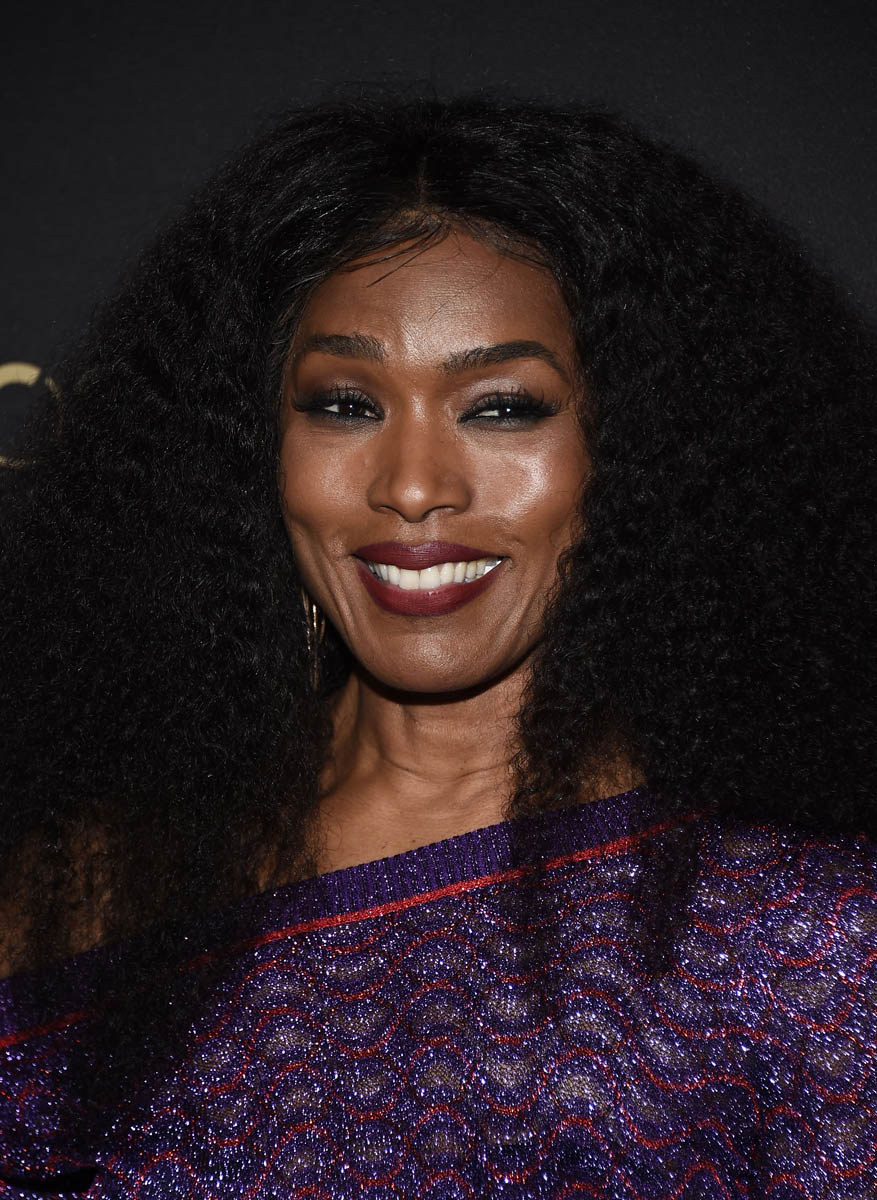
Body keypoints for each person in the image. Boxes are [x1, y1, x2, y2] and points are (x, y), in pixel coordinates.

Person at [0, 95, 873, 1199]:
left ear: (641, 447)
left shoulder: (803, 936)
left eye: (501, 408)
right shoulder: (82, 883)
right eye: (344, 404)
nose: (412, 486)